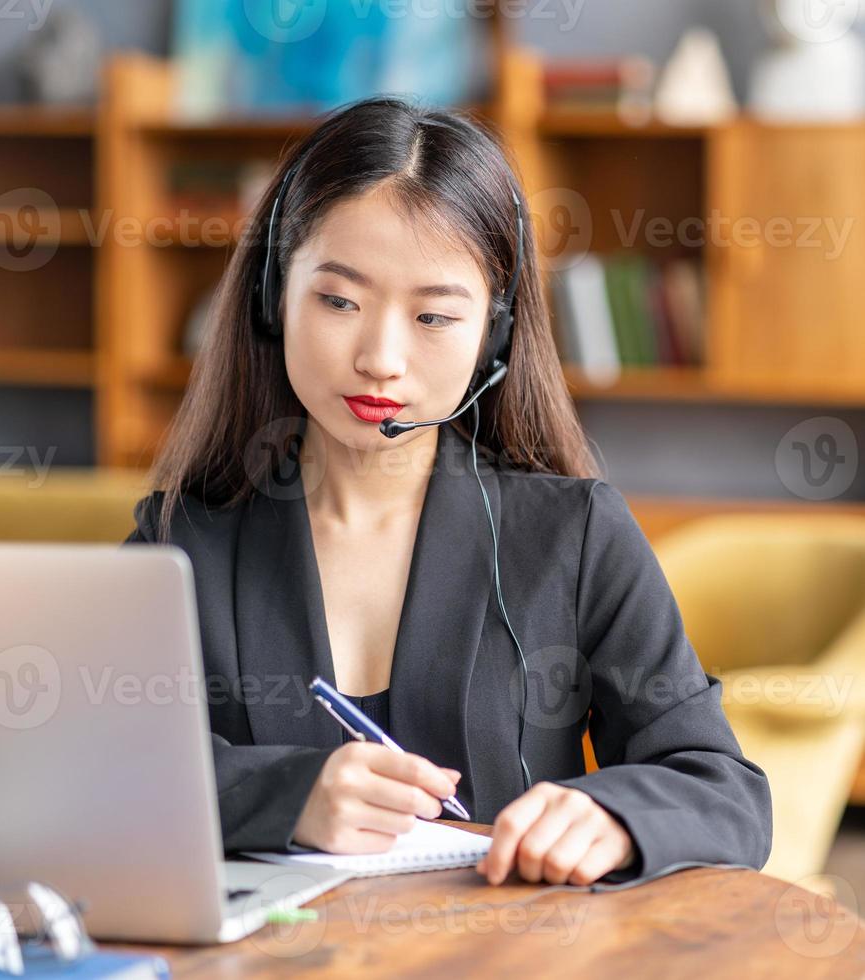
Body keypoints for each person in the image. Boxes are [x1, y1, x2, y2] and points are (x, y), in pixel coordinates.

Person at [124, 96, 772, 887]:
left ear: (493, 338)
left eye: (433, 317)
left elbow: (725, 791)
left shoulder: (573, 535)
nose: (380, 359)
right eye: (338, 301)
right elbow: (92, 768)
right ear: (272, 299)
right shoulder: (180, 540)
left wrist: (616, 815)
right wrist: (282, 795)